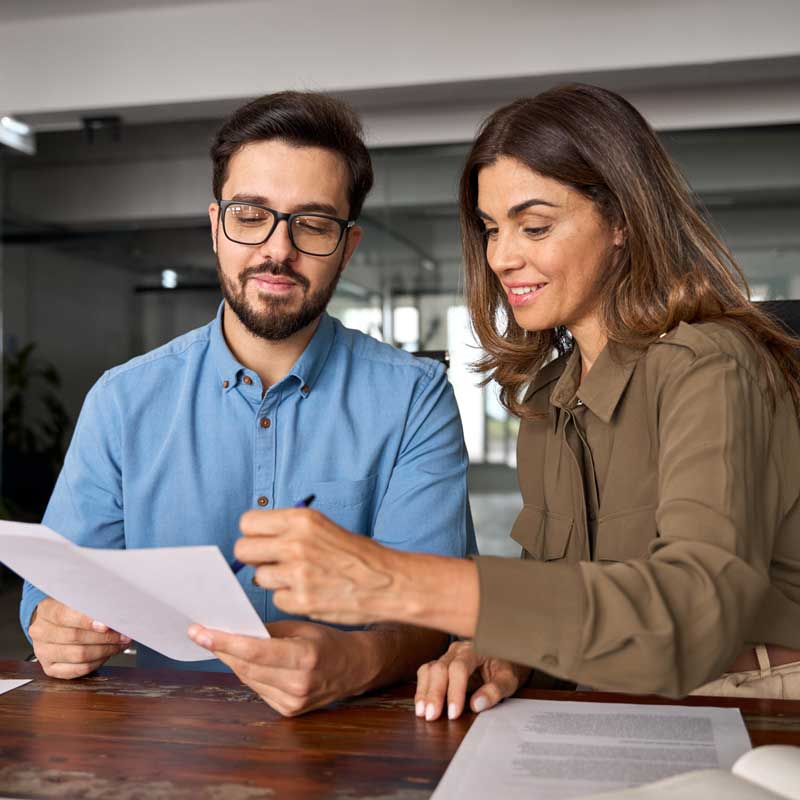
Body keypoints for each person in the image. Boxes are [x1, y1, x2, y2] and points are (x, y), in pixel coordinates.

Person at [224, 84, 800, 719]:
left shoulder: (712, 365)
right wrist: (509, 648)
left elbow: (692, 621)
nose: (500, 256)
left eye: (535, 226)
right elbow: (570, 600)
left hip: (751, 707)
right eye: (492, 229)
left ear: (622, 222)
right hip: (608, 699)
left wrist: (392, 580)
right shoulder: (550, 398)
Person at [20, 91, 476, 716]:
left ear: (348, 245)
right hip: (168, 744)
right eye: (251, 214)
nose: (278, 250)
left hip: (360, 741)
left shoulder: (413, 399)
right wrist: (54, 626)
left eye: (312, 224)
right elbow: (52, 589)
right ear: (216, 226)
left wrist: (355, 661)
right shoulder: (123, 401)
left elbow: (436, 611)